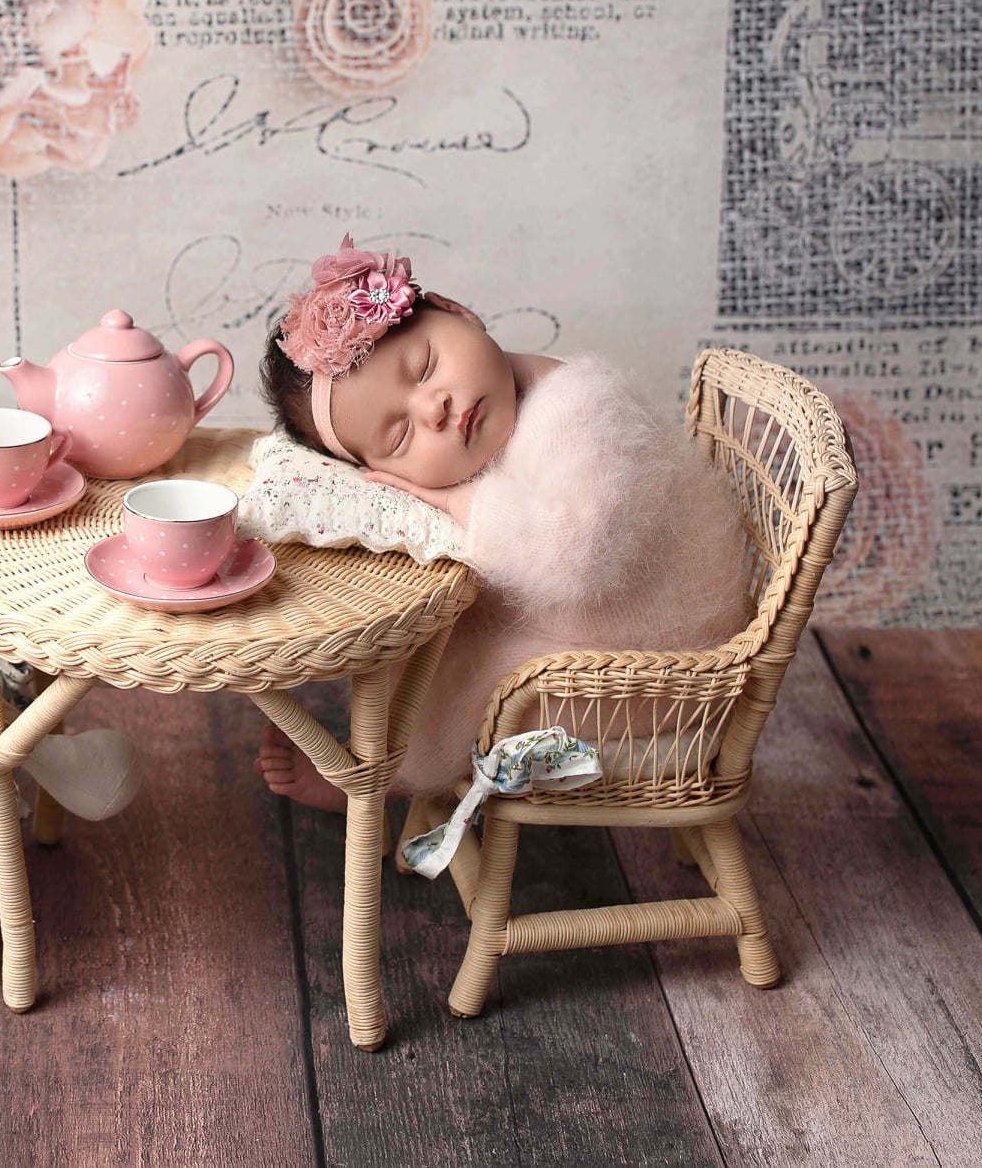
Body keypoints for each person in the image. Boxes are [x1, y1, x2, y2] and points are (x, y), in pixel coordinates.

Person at [254, 236, 751, 812]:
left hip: (655, 673)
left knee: (447, 669)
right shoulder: (519, 400)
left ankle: (381, 779)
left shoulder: (582, 408)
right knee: (426, 630)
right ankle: (383, 757)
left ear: (461, 313)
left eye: (425, 366)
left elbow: (577, 554)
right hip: (618, 622)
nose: (433, 408)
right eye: (400, 436)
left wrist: (457, 499)